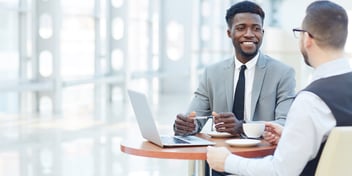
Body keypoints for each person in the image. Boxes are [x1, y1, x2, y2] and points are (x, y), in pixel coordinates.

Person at [207, 1, 352, 175]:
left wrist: (227, 162)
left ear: (307, 39)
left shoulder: (311, 101)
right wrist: (291, 136)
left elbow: (280, 171)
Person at [174, 1, 295, 175]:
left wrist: (243, 127)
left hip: (262, 163)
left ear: (262, 32)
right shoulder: (212, 73)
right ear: (229, 33)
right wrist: (186, 125)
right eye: (241, 28)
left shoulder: (283, 73)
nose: (249, 34)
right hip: (220, 163)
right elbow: (195, 119)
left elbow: (284, 124)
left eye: (255, 28)